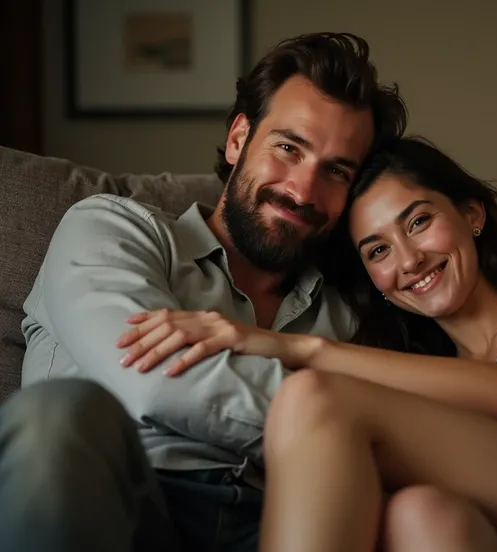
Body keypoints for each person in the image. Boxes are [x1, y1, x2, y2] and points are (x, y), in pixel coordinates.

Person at [120, 137, 497, 551]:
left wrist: (298, 349)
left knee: (316, 399)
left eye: (418, 221)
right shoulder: (421, 374)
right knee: (422, 517)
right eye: (378, 251)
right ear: (375, 285)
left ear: (471, 214)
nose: (410, 260)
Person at [0, 32, 407, 552]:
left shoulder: (350, 311)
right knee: (58, 412)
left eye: (335, 171)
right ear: (239, 138)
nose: (303, 190)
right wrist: (338, 428)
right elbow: (153, 382)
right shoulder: (112, 228)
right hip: (126, 506)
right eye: (288, 148)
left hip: (278, 525)